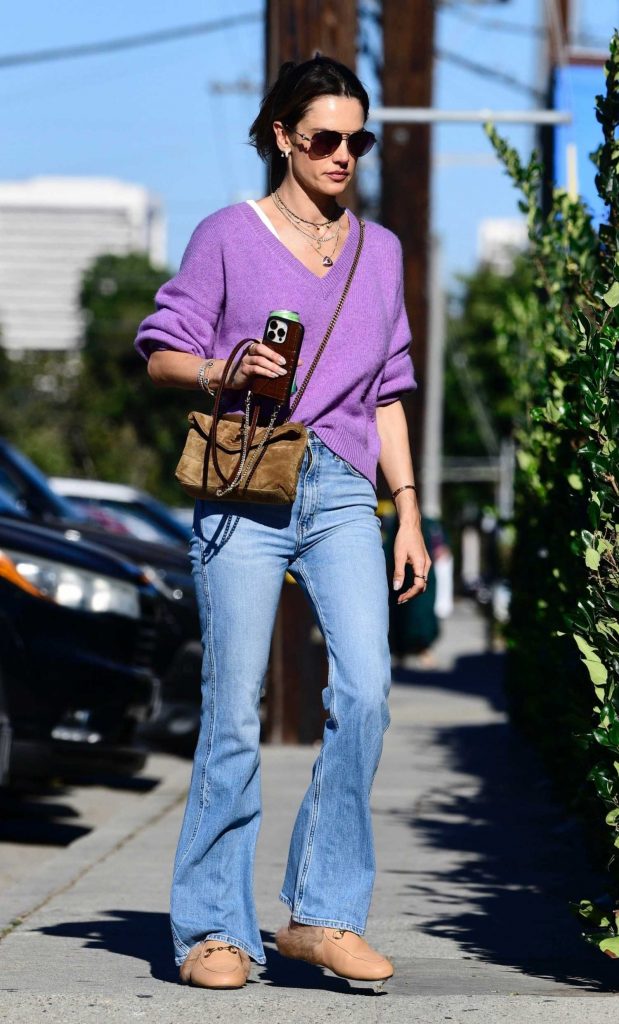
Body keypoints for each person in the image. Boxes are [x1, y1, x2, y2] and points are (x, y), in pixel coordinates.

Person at [135, 53, 431, 991]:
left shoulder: (377, 253)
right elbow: (162, 353)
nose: (344, 155)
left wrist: (412, 512)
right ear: (282, 137)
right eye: (325, 139)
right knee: (232, 709)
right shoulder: (230, 234)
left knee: (370, 691)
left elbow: (387, 392)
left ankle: (322, 915)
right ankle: (215, 929)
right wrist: (224, 370)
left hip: (344, 487)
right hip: (246, 486)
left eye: (358, 139)